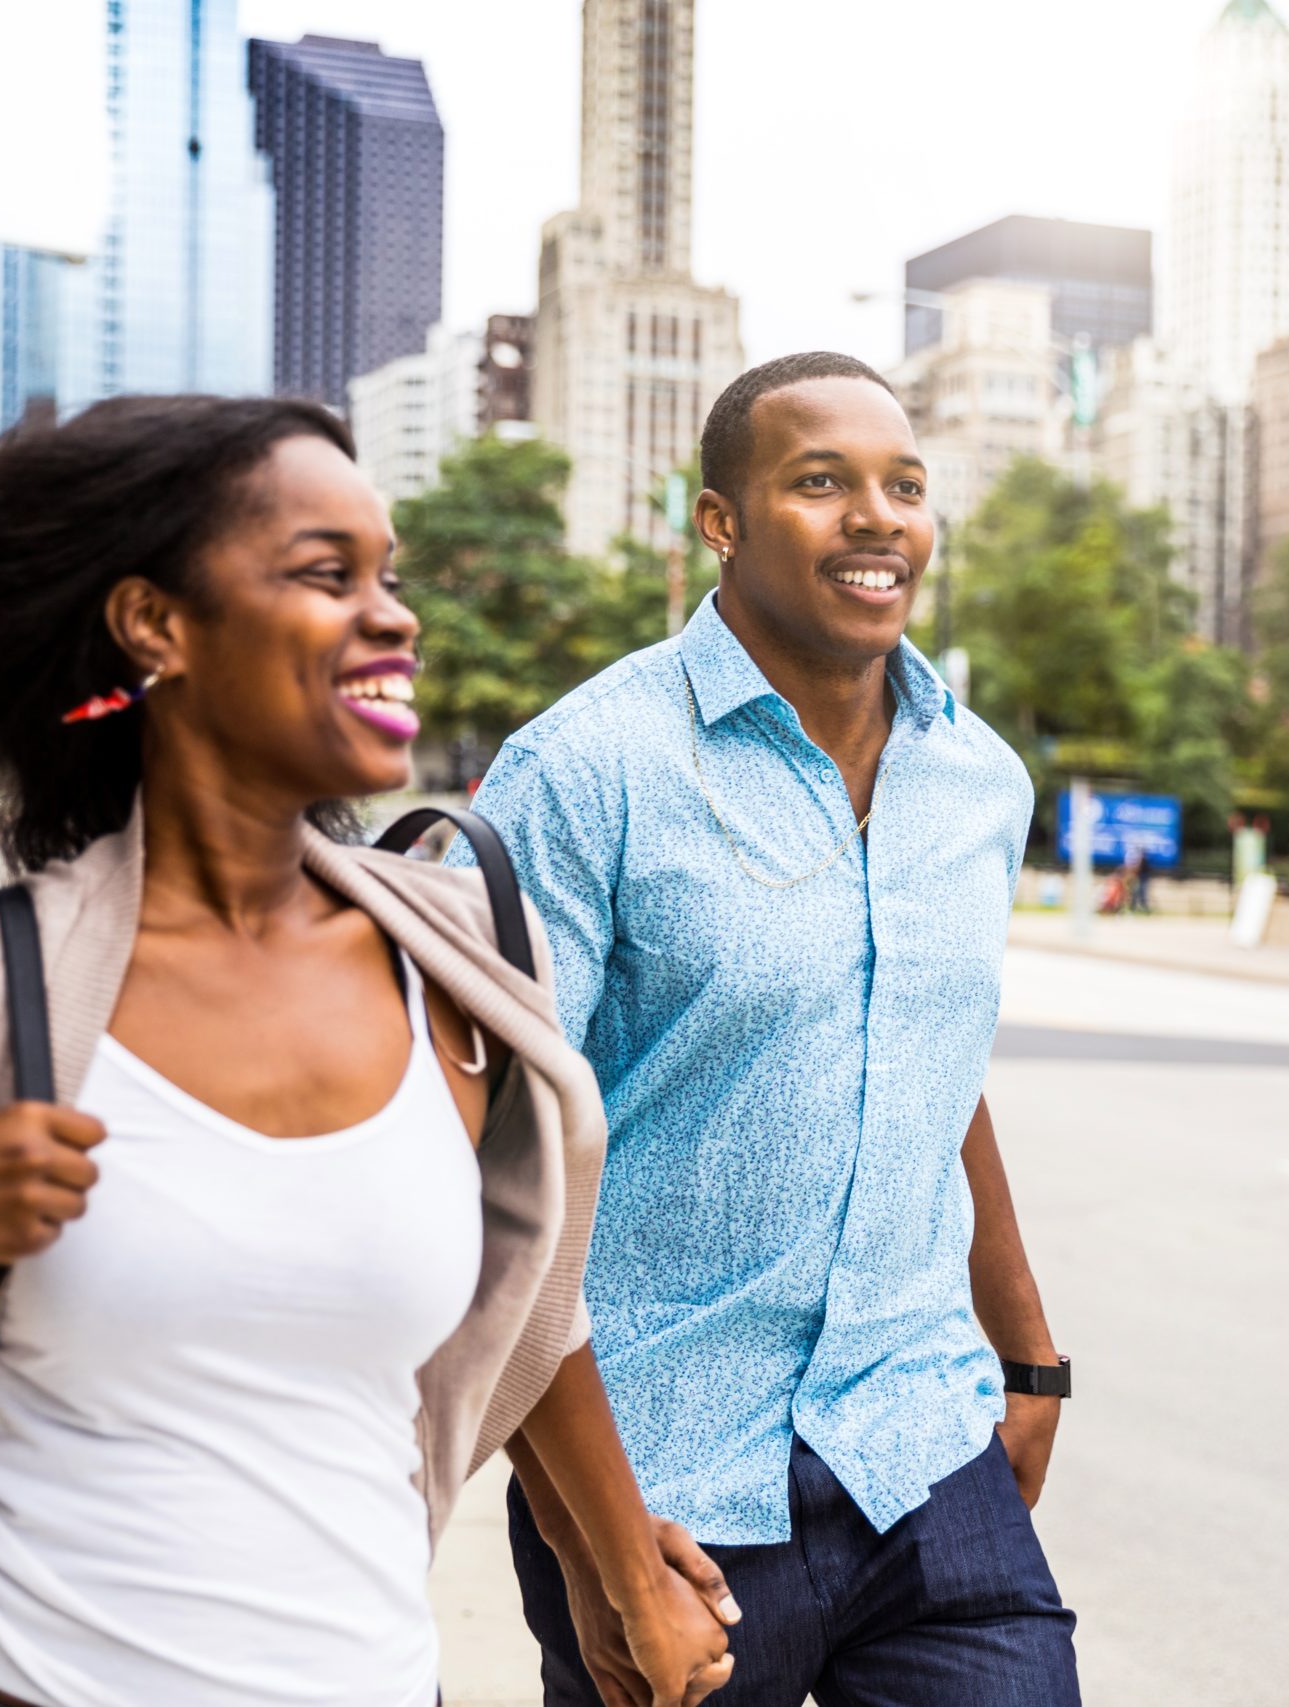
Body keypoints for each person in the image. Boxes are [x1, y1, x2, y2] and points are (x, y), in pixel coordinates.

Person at [0, 396, 735, 1707]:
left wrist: (620, 1567)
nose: (392, 616)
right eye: (323, 575)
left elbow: (537, 1308)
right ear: (152, 622)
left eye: (388, 578)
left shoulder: (462, 951)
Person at [462, 353, 1079, 1705]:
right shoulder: (581, 772)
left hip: (919, 1438)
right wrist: (597, 1543)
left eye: (904, 486)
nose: (878, 516)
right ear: (719, 522)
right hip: (660, 1474)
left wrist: (1026, 1350)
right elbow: (495, 1179)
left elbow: (923, 1053)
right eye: (821, 482)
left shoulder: (979, 778)